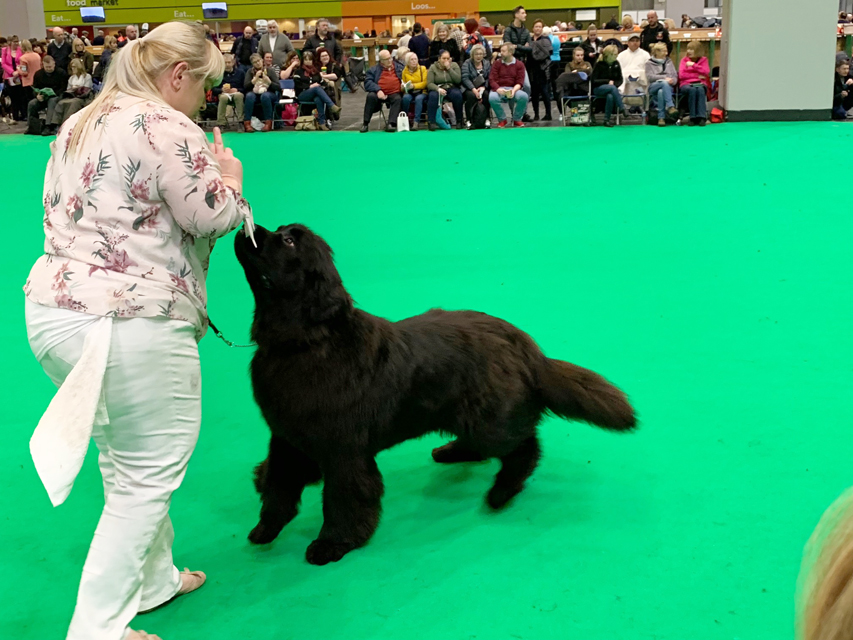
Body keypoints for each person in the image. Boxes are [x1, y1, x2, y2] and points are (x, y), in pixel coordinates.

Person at [24, 21, 250, 640]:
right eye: (204, 85)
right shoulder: (165, 124)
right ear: (178, 76)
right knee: (146, 475)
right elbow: (211, 214)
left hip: (53, 310)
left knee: (126, 460)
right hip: (128, 319)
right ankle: (96, 631)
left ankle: (154, 582)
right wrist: (230, 178)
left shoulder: (80, 120)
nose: (205, 99)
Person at [292, 50, 340, 130]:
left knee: (318, 99)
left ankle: (321, 123)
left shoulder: (315, 71)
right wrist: (309, 86)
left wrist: (327, 83)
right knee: (316, 88)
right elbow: (298, 85)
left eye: (310, 60)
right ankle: (331, 105)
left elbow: (322, 82)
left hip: (314, 94)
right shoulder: (298, 72)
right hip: (302, 94)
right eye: (306, 60)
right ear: (303, 61)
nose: (308, 62)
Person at [361, 49, 402, 133]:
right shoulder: (373, 70)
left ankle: (391, 123)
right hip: (379, 93)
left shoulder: (399, 67)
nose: (390, 60)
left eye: (390, 58)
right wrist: (378, 90)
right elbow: (367, 82)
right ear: (381, 61)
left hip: (394, 93)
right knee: (370, 96)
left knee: (398, 99)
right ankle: (365, 124)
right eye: (387, 59)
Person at [489, 42, 528, 128]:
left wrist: (513, 91)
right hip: (499, 88)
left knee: (524, 96)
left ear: (511, 52)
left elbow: (520, 81)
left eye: (503, 51)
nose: (501, 53)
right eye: (501, 51)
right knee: (492, 97)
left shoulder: (519, 64)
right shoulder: (497, 63)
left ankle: (517, 119)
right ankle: (502, 119)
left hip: (513, 88)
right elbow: (492, 79)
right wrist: (498, 89)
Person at [26, 55, 66, 135]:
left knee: (52, 101)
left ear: (54, 64)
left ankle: (49, 126)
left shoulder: (61, 73)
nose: (48, 68)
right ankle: (32, 126)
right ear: (42, 65)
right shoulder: (38, 74)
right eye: (46, 67)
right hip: (43, 97)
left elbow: (63, 88)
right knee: (32, 104)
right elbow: (35, 88)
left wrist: (54, 93)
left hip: (56, 96)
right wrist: (37, 95)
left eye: (50, 66)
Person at [426, 49, 463, 130]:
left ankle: (459, 121)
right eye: (444, 58)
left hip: (451, 88)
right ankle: (431, 122)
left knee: (457, 95)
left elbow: (458, 80)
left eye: (448, 58)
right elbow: (429, 83)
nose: (446, 60)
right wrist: (437, 89)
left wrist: (449, 68)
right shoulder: (433, 67)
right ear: (439, 59)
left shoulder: (454, 65)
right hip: (437, 88)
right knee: (432, 96)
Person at [52, 58, 93, 130]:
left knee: (73, 103)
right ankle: (56, 124)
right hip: (72, 96)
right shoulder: (71, 78)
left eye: (74, 67)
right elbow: (68, 89)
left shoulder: (87, 76)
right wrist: (72, 89)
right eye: (72, 67)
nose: (72, 69)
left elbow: (87, 89)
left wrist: (78, 88)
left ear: (79, 67)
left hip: (82, 97)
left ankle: (67, 124)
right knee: (61, 103)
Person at [592, 44, 628, 127]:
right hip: (598, 88)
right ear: (609, 55)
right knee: (612, 88)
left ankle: (606, 120)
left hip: (612, 89)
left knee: (610, 96)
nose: (616, 56)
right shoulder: (599, 64)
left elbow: (620, 79)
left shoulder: (616, 63)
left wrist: (614, 84)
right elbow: (593, 80)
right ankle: (622, 107)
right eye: (614, 54)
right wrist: (607, 81)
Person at [645, 42, 678, 127]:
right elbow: (650, 77)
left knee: (661, 91)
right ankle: (670, 106)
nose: (666, 53)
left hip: (668, 87)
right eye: (664, 51)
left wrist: (672, 81)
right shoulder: (649, 63)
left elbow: (674, 76)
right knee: (664, 83)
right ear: (657, 52)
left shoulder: (669, 62)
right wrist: (664, 78)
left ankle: (661, 118)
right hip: (653, 86)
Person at [243, 52, 278, 132]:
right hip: (254, 93)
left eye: (258, 60)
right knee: (249, 96)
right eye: (255, 62)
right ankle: (247, 123)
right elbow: (246, 87)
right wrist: (254, 80)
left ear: (262, 60)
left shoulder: (270, 71)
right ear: (252, 64)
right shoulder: (250, 72)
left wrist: (269, 82)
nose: (258, 63)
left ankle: (268, 123)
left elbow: (278, 87)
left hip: (269, 93)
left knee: (265, 96)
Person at [678, 41, 710, 126]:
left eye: (691, 49)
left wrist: (693, 65)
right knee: (692, 90)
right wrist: (697, 75)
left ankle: (701, 117)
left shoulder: (704, 60)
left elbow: (706, 72)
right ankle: (693, 117)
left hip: (700, 84)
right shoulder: (684, 60)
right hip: (686, 84)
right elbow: (681, 75)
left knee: (700, 90)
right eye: (688, 49)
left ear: (697, 50)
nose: (689, 51)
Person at [554, 46, 592, 115]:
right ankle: (564, 112)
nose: (580, 57)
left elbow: (590, 72)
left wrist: (576, 71)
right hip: (571, 89)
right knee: (561, 94)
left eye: (582, 55)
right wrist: (583, 72)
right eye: (578, 55)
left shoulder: (587, 64)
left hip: (584, 89)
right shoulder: (569, 65)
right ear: (573, 56)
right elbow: (567, 76)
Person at [461, 43, 491, 128]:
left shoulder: (487, 63)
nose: (478, 56)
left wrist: (484, 86)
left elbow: (490, 78)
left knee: (486, 95)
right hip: (469, 88)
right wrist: (474, 89)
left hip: (483, 87)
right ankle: (469, 120)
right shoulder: (467, 63)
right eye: (476, 54)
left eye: (481, 54)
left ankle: (486, 118)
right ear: (472, 54)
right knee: (471, 96)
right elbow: (465, 78)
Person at [528, 20, 552, 121]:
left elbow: (548, 53)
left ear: (542, 28)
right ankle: (536, 114)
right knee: (534, 94)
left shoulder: (546, 40)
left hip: (543, 69)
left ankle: (548, 113)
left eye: (539, 27)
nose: (537, 28)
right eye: (536, 26)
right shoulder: (529, 39)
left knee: (545, 92)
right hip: (531, 68)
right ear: (533, 28)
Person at [213, 53, 245, 126]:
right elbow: (214, 90)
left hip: (236, 94)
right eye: (225, 63)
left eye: (229, 62)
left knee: (239, 96)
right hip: (223, 94)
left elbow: (245, 88)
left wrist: (237, 90)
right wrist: (221, 90)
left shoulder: (240, 73)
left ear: (233, 63)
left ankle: (241, 122)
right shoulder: (218, 74)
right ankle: (221, 123)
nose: (227, 64)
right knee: (223, 98)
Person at [400, 52, 428, 130]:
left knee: (418, 99)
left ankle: (416, 122)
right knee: (405, 98)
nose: (414, 61)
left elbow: (425, 83)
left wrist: (414, 86)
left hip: (422, 91)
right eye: (411, 59)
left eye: (415, 59)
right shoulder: (404, 71)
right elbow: (403, 84)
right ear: (407, 61)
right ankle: (405, 120)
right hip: (410, 92)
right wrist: (403, 87)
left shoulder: (422, 69)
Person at [2, 35, 26, 121]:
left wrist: (19, 71)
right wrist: (12, 72)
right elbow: (3, 64)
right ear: (10, 42)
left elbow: (24, 62)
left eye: (17, 41)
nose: (16, 43)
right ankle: (15, 115)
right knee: (13, 97)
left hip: (20, 76)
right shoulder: (4, 50)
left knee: (21, 96)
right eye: (14, 42)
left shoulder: (21, 49)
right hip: (9, 77)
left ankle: (24, 114)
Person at [544, 26, 561, 102]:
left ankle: (548, 94)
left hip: (549, 60)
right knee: (555, 79)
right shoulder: (556, 38)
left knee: (548, 79)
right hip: (557, 59)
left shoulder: (546, 40)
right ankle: (556, 94)